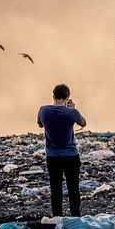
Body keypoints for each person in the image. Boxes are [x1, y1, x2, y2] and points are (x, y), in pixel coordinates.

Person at [36, 83, 87, 217]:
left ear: (53, 96)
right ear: (67, 97)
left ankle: (57, 218)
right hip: (71, 155)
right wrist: (71, 109)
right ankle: (75, 217)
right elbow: (83, 123)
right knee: (73, 189)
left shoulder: (44, 110)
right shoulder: (72, 112)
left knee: (56, 189)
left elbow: (40, 124)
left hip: (52, 156)